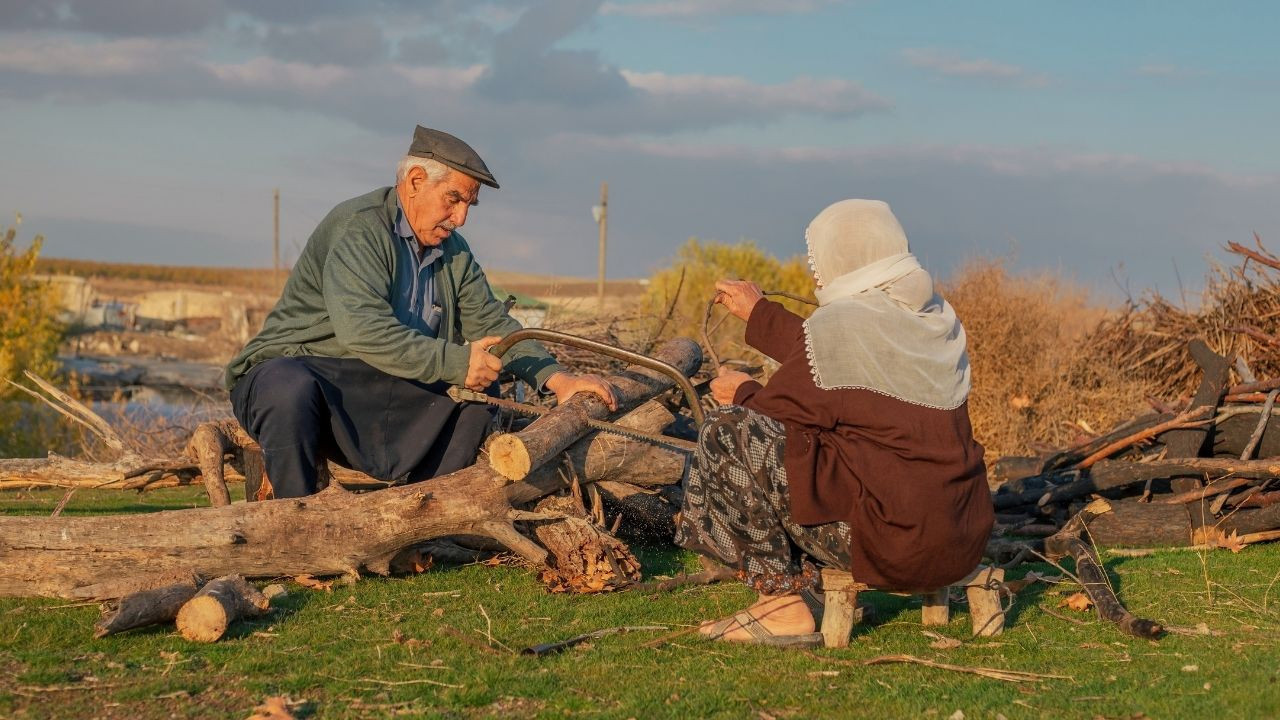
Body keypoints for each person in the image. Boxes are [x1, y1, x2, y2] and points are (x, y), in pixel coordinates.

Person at [225, 125, 615, 498]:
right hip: (305, 377)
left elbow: (494, 325)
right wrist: (456, 361)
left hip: (375, 390)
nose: (461, 217)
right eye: (454, 198)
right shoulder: (359, 229)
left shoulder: (454, 251)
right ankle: (295, 527)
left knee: (481, 390)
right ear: (414, 182)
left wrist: (557, 380)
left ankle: (425, 514)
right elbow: (362, 330)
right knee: (288, 385)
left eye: (469, 204)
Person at [676, 199, 993, 647]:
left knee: (728, 429)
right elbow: (838, 358)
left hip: (896, 545)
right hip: (962, 539)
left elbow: (773, 418)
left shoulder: (846, 323)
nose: (816, 274)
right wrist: (759, 313)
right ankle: (795, 594)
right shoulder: (933, 318)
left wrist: (743, 391)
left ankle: (782, 603)